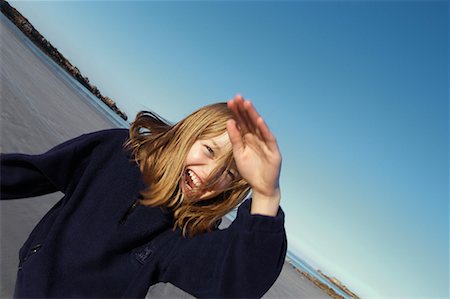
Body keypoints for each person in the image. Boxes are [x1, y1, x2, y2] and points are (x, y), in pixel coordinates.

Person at [1, 95, 287, 298]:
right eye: (209, 151)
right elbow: (31, 172)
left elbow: (234, 285)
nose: (210, 175)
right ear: (187, 134)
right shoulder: (115, 150)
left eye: (230, 173)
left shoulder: (188, 232)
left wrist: (266, 194)